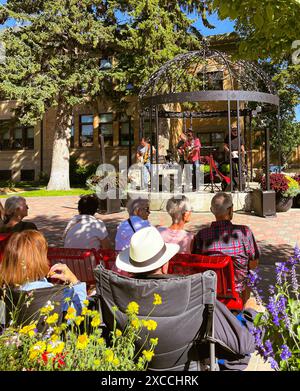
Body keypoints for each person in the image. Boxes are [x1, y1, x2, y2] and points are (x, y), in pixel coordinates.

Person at [98, 226, 262, 371]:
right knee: (240, 353)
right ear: (165, 265)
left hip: (135, 363)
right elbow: (244, 344)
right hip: (188, 367)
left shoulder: (113, 293)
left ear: (131, 265)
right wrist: (250, 314)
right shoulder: (194, 291)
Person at [193, 192, 259, 302]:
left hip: (212, 288)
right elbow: (254, 262)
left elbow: (198, 263)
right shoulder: (244, 232)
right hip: (238, 291)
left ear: (211, 210)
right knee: (250, 274)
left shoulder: (202, 235)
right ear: (230, 209)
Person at [0, 230, 86, 313]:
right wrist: (75, 281)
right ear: (39, 259)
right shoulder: (51, 293)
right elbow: (80, 312)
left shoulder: (5, 290)